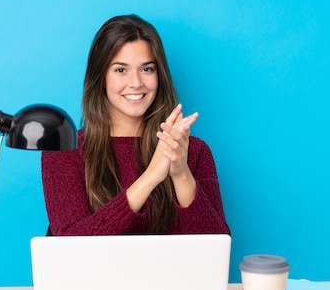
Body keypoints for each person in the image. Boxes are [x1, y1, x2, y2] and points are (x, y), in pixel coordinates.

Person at [42, 14, 230, 235]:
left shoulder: (195, 151)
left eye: (147, 69)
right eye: (121, 70)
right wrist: (150, 177)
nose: (136, 83)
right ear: (101, 77)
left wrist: (180, 172)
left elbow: (216, 248)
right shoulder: (65, 151)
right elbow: (69, 247)